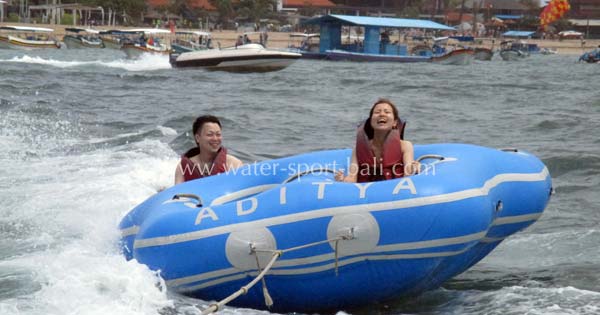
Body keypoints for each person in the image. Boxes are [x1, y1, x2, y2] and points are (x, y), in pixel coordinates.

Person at [335, 99, 420, 183]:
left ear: (395, 123)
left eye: (387, 112)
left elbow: (408, 172)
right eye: (377, 112)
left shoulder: (405, 146)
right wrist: (342, 180)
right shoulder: (358, 149)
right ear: (371, 121)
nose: (382, 114)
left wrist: (413, 169)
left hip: (395, 190)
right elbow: (352, 178)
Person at [174, 115, 243, 184]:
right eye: (210, 135)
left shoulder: (234, 164)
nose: (215, 139)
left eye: (218, 134)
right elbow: (178, 192)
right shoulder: (182, 168)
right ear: (198, 138)